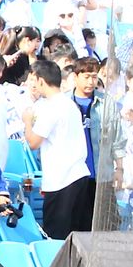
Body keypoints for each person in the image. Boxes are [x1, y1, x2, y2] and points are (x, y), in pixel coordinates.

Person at [24, 58, 93, 240]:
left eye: (34, 80)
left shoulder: (51, 107)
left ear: (41, 81)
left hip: (62, 180)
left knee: (56, 237)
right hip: (79, 175)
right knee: (77, 237)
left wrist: (27, 121)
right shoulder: (70, 104)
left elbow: (33, 142)